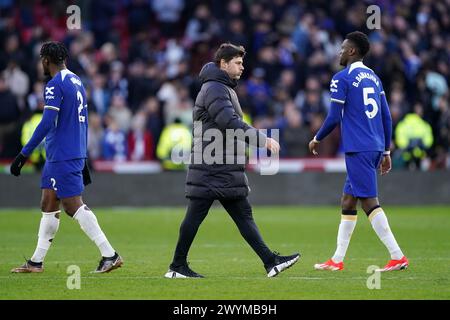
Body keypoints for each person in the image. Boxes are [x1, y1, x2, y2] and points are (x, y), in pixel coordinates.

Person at [165, 43, 300, 278]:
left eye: (242, 62)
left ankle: (270, 262)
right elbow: (230, 122)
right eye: (237, 63)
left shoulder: (222, 88)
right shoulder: (215, 88)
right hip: (211, 167)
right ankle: (177, 267)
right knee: (196, 216)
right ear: (223, 64)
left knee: (239, 215)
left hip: (222, 166)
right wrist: (263, 140)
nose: (242, 67)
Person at [9, 41, 123, 273]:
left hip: (63, 154)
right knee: (49, 203)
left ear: (45, 60)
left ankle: (110, 254)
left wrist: (24, 153)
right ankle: (36, 262)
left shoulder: (54, 84)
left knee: (72, 205)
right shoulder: (77, 81)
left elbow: (47, 122)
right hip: (65, 153)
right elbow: (80, 119)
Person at [308, 32, 408, 272]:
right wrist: (385, 151)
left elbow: (333, 116)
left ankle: (397, 256)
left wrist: (316, 138)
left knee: (369, 202)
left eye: (342, 48)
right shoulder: (374, 77)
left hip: (358, 148)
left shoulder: (342, 78)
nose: (339, 52)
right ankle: (337, 259)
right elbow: (386, 116)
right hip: (373, 146)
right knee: (348, 200)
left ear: (352, 51)